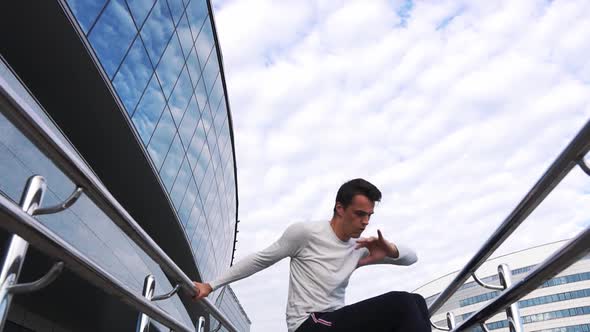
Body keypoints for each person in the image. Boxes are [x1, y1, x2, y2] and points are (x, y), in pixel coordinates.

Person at [192, 178, 430, 332]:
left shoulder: (359, 248)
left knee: (418, 302)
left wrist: (391, 250)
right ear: (340, 208)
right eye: (359, 214)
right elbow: (260, 260)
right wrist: (211, 286)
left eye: (369, 215)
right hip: (308, 325)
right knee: (401, 303)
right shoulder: (305, 234)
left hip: (336, 323)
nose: (365, 222)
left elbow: (412, 258)